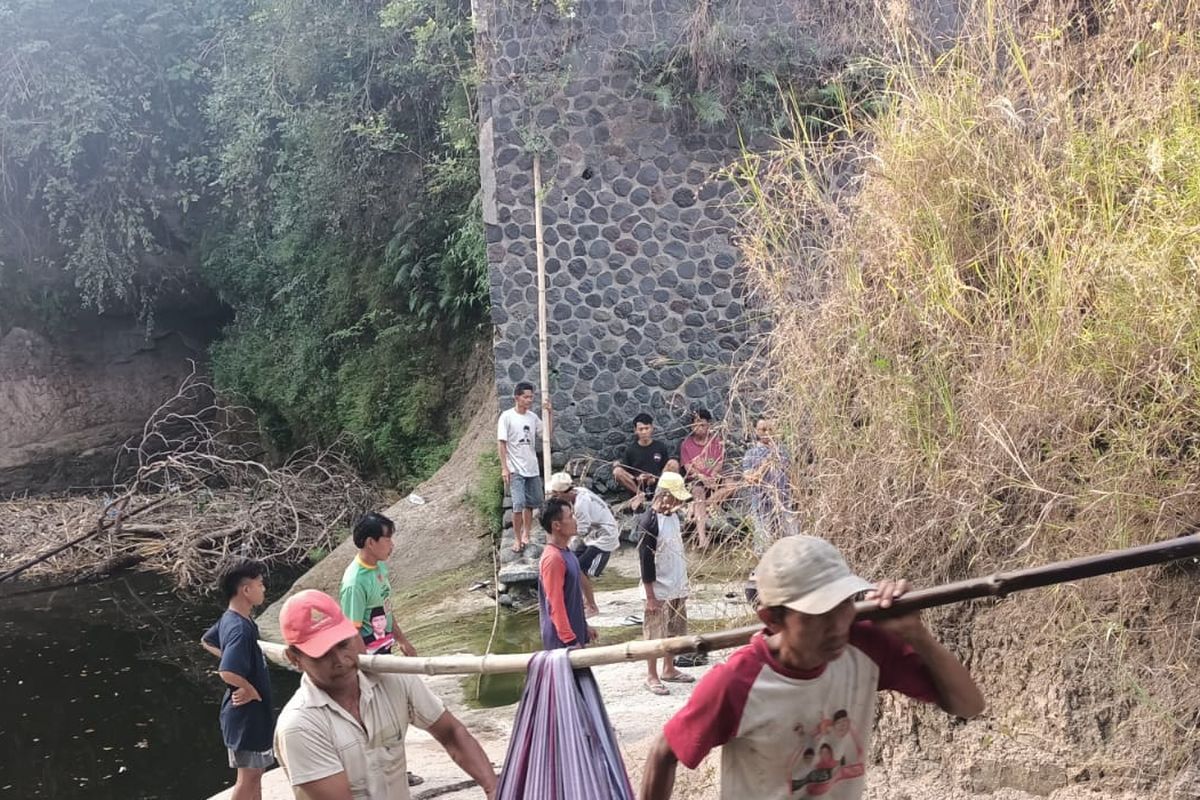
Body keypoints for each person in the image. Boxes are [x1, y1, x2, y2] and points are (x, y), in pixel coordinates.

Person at [639, 535, 985, 800]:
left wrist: (917, 634)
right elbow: (663, 752)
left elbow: (969, 706)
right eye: (817, 614)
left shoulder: (865, 646)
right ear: (772, 619)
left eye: (844, 604)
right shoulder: (738, 683)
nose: (837, 626)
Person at [274, 590, 497, 800]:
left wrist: (494, 788)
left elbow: (451, 733)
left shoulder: (393, 677)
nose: (340, 661)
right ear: (295, 659)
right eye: (322, 654)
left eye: (343, 644)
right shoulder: (299, 726)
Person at [200, 560, 275, 800]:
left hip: (251, 716)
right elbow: (226, 672)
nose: (264, 589)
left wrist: (237, 657)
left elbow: (207, 641)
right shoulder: (239, 629)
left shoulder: (233, 618)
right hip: (245, 717)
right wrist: (248, 687)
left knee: (256, 773)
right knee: (248, 778)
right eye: (260, 584)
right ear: (246, 590)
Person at [637, 471, 694, 695]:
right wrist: (651, 596)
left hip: (676, 584)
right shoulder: (649, 522)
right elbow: (646, 561)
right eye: (675, 497)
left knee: (674, 631)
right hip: (658, 588)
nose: (679, 502)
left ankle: (669, 668)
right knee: (654, 633)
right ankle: (651, 674)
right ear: (664, 496)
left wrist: (684, 584)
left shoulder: (673, 518)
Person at [339, 512, 416, 657]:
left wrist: (402, 641)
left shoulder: (378, 566)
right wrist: (367, 667)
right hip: (370, 658)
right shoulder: (355, 582)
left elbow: (385, 607)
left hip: (385, 649)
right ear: (370, 542)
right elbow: (352, 632)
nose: (392, 545)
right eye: (387, 539)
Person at [546, 471, 620, 616]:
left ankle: (591, 606)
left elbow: (582, 530)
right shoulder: (580, 491)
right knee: (572, 561)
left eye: (555, 494)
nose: (554, 497)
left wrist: (564, 540)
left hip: (603, 537)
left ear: (561, 493)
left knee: (579, 569)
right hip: (593, 534)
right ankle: (583, 600)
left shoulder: (580, 505)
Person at [498, 380, 553, 553]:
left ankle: (526, 534)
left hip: (532, 467)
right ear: (517, 398)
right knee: (518, 503)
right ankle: (516, 538)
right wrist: (504, 467)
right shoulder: (507, 416)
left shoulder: (532, 417)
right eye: (526, 397)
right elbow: (501, 443)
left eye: (531, 397)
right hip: (515, 468)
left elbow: (546, 434)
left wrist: (550, 414)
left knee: (531, 503)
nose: (529, 400)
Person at [537, 497, 597, 649]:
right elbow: (555, 604)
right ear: (556, 525)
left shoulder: (567, 553)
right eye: (570, 517)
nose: (575, 520)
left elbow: (573, 598)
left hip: (573, 636)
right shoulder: (553, 558)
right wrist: (570, 640)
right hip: (561, 643)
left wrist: (584, 627)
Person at [741, 417, 797, 554]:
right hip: (761, 503)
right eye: (763, 429)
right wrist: (766, 463)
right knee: (763, 545)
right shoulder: (751, 454)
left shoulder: (783, 452)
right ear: (756, 431)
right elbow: (750, 478)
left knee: (792, 541)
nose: (767, 433)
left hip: (783, 502)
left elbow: (792, 476)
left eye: (770, 429)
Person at [613, 413, 680, 511]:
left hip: (658, 485)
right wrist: (638, 478)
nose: (644, 432)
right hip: (638, 487)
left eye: (646, 428)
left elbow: (665, 469)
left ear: (652, 428)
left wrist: (655, 478)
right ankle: (639, 495)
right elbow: (627, 472)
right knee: (617, 471)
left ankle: (665, 495)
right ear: (635, 431)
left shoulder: (660, 446)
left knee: (673, 463)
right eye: (641, 429)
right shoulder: (630, 450)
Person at [679, 408, 726, 549]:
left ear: (708, 425)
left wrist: (711, 476)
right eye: (695, 425)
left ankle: (699, 507)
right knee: (698, 493)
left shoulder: (716, 441)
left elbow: (719, 463)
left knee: (732, 484)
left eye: (702, 425)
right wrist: (702, 477)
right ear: (691, 426)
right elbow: (688, 467)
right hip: (697, 480)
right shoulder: (686, 444)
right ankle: (702, 538)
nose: (699, 428)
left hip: (714, 478)